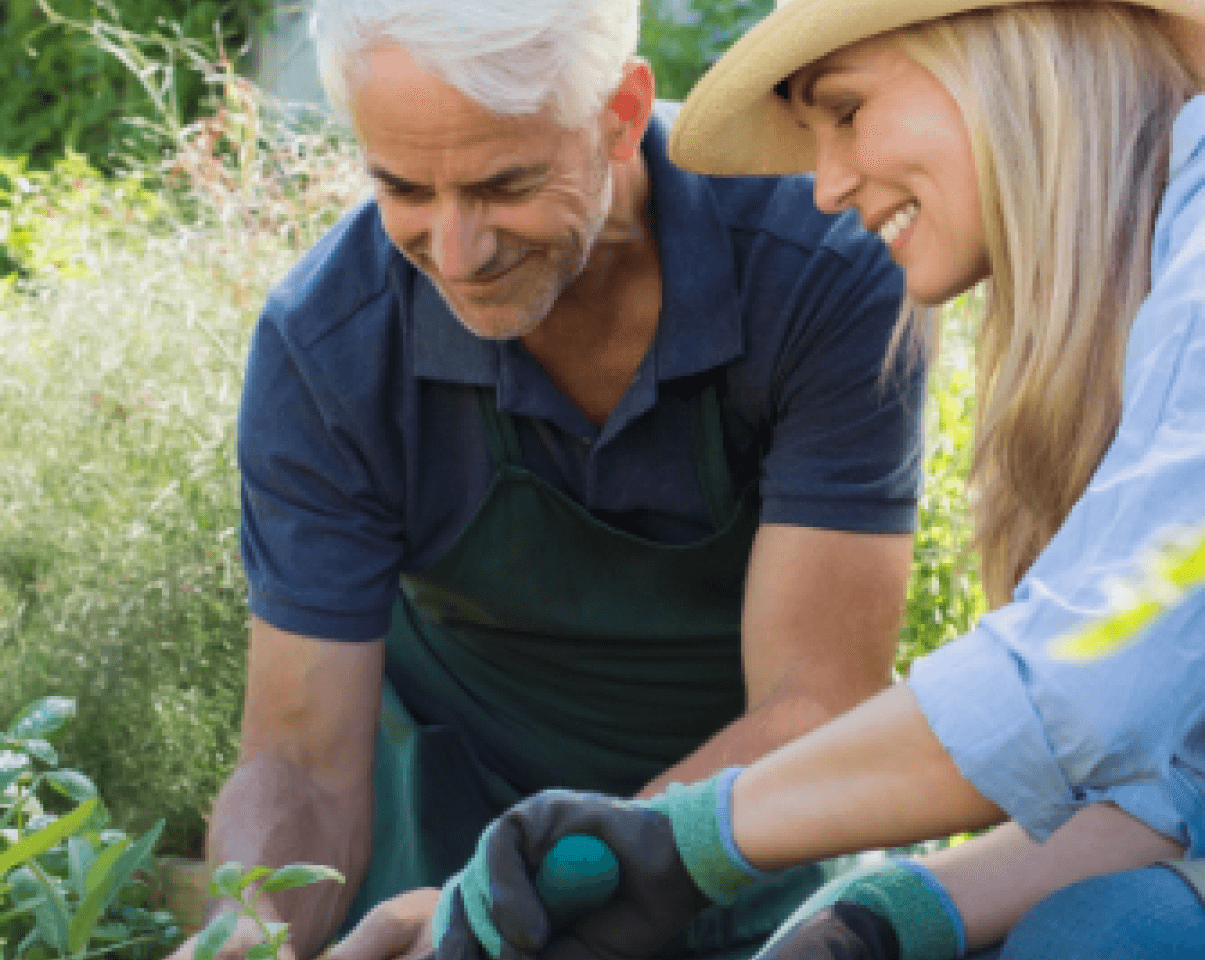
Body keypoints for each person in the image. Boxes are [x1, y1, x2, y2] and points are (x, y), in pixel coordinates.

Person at [415, 1, 1205, 958]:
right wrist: (884, 916)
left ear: (1000, 54)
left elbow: (1071, 694)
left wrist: (690, 839)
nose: (825, 187)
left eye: (848, 110)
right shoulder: (1165, 291)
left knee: (1111, 936)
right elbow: (1184, 794)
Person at [167, 0, 931, 958]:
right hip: (455, 842)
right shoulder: (331, 346)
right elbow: (303, 766)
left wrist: (527, 893)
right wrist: (251, 928)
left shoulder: (814, 262)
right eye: (403, 189)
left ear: (620, 112)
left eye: (504, 184)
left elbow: (815, 701)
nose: (457, 252)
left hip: (761, 841)